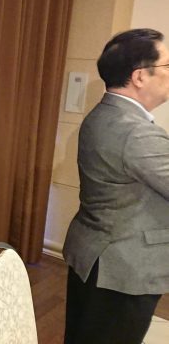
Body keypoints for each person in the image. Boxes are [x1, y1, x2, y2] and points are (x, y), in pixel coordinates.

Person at [62, 28, 169, 344]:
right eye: (167, 65)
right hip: (122, 270)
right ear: (140, 76)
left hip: (96, 256)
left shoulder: (103, 113)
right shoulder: (137, 133)